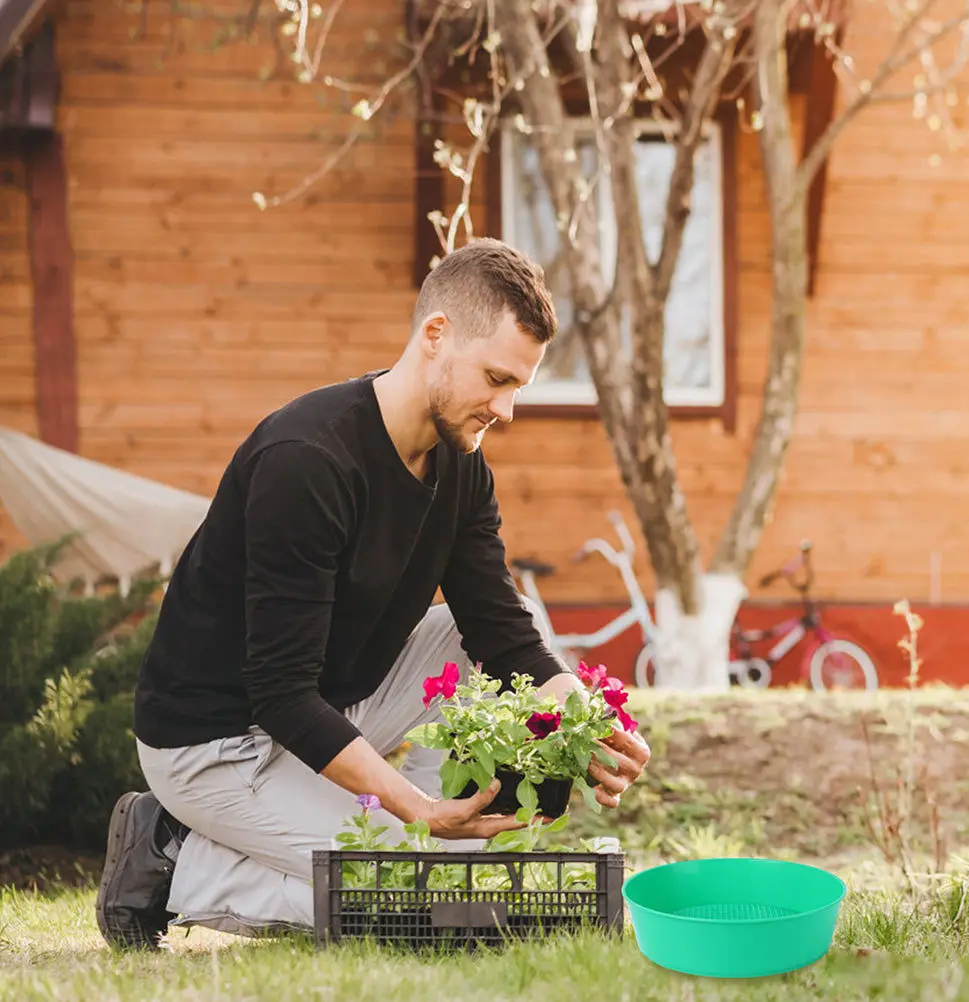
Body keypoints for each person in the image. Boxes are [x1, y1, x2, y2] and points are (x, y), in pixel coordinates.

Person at [95, 238, 651, 950]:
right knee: (415, 897)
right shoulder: (308, 461)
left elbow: (498, 628)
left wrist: (581, 709)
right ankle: (168, 854)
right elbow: (280, 693)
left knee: (470, 657)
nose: (507, 409)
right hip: (214, 740)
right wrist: (414, 809)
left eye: (519, 386)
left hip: (324, 706)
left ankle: (436, 840)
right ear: (435, 336)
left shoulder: (461, 467)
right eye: (496, 378)